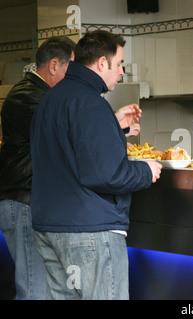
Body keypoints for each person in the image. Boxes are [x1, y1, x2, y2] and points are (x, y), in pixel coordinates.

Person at [30, 30, 162, 300]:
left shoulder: (51, 99)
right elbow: (105, 174)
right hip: (89, 231)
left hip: (49, 228)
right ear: (102, 63)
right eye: (120, 64)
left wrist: (113, 128)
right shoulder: (91, 103)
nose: (122, 72)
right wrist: (146, 171)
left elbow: (69, 150)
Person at [0, 36, 76, 300]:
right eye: (71, 68)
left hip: (31, 202)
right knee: (34, 291)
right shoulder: (29, 97)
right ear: (54, 65)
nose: (74, 76)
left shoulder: (40, 95)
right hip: (24, 203)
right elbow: (61, 135)